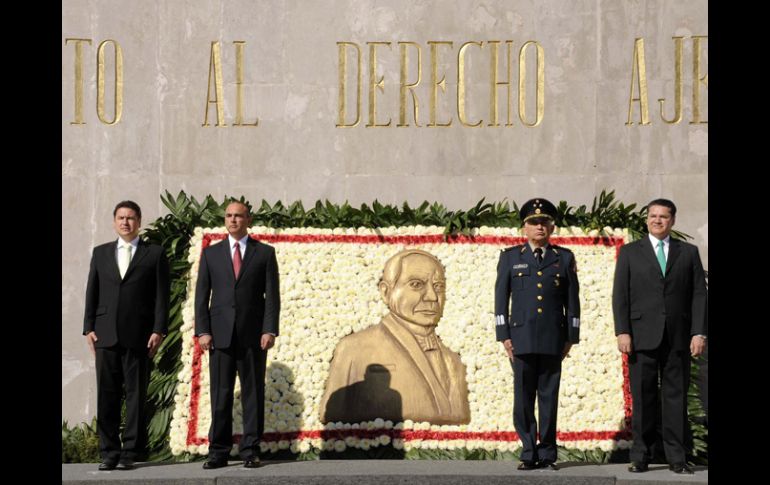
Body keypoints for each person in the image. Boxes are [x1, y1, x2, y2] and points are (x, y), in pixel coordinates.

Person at [319, 249, 470, 425]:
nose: (432, 297)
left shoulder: (454, 361)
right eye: (416, 284)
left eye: (438, 287)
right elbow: (331, 418)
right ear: (386, 292)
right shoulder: (354, 349)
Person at [612, 199, 707, 475]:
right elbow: (620, 295)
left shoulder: (688, 252)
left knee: (675, 399)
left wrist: (698, 332)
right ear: (647, 220)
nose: (657, 220)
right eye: (653, 216)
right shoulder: (630, 252)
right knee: (643, 398)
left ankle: (676, 457)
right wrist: (623, 331)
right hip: (641, 336)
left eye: (663, 216)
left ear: (672, 220)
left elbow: (699, 295)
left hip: (678, 337)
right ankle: (641, 455)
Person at [83, 200, 170, 471]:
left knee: (135, 395)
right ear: (114, 222)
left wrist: (158, 329)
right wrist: (88, 327)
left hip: (139, 335)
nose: (125, 222)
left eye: (130, 218)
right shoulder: (100, 253)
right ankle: (108, 452)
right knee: (106, 395)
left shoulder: (154, 254)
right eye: (120, 217)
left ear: (139, 222)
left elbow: (162, 296)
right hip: (105, 334)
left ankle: (130, 452)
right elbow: (92, 291)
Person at [494, 198, 580, 471]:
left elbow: (572, 301)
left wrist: (571, 336)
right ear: (525, 227)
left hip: (554, 338)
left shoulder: (563, 258)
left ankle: (548, 453)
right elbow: (500, 299)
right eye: (534, 222)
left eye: (544, 222)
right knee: (523, 398)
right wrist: (503, 335)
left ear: (552, 227)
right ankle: (528, 451)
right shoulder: (510, 257)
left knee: (549, 398)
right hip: (520, 338)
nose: (539, 227)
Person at [195, 200, 280, 469]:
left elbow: (272, 296)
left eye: (238, 216)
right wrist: (203, 331)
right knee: (220, 395)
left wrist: (269, 329)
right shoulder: (211, 254)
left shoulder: (264, 253)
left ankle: (250, 450)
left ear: (248, 220)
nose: (233, 220)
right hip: (219, 336)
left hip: (253, 336)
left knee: (253, 394)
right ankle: (218, 452)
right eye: (229, 216)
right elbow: (201, 296)